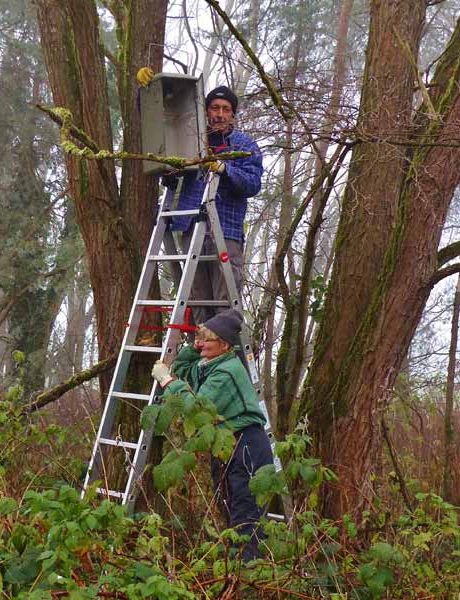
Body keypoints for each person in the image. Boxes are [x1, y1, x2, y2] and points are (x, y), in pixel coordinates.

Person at [151, 308, 273, 562]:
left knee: (245, 513)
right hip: (226, 446)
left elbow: (198, 406)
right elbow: (185, 368)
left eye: (208, 339)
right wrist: (194, 347)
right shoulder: (209, 365)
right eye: (201, 338)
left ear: (225, 345)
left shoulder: (226, 371)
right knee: (227, 505)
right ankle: (238, 569)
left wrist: (166, 382)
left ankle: (249, 573)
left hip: (247, 444)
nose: (201, 343)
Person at [162, 84, 264, 325]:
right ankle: (201, 356)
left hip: (225, 230)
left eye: (226, 109)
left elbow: (252, 184)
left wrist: (225, 169)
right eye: (215, 108)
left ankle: (223, 358)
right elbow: (161, 134)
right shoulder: (191, 141)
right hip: (190, 227)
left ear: (233, 114)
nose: (220, 114)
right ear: (206, 111)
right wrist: (144, 92)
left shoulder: (244, 145)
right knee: (196, 299)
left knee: (224, 299)